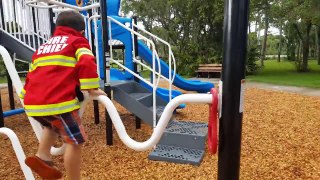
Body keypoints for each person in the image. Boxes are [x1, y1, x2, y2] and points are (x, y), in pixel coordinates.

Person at [20, 11, 106, 180]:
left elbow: (32, 73)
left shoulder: (43, 47)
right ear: (81, 31)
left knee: (52, 125)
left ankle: (42, 156)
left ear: (57, 28)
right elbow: (87, 61)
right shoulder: (78, 41)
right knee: (75, 142)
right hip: (58, 103)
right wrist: (91, 88)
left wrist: (24, 94)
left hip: (33, 103)